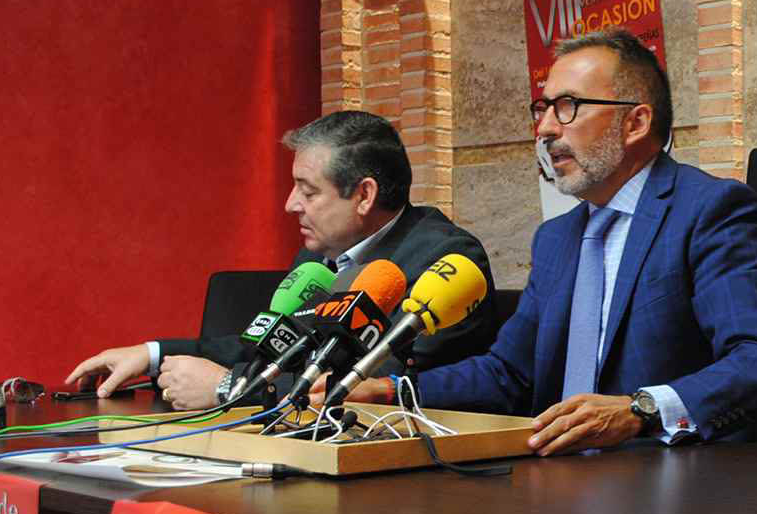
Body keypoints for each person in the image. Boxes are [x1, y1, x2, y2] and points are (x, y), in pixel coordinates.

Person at [331, 29, 757, 455]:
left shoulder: (710, 210)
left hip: (670, 485)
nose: (546, 129)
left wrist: (640, 411)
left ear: (635, 122)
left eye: (568, 106)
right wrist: (395, 391)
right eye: (543, 108)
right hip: (555, 479)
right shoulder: (556, 238)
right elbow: (508, 374)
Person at [65, 111, 499, 409]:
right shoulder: (320, 259)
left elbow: (362, 388)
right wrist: (151, 354)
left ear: (364, 195)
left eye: (308, 191)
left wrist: (227, 388)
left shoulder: (445, 260)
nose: (291, 204)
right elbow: (268, 345)